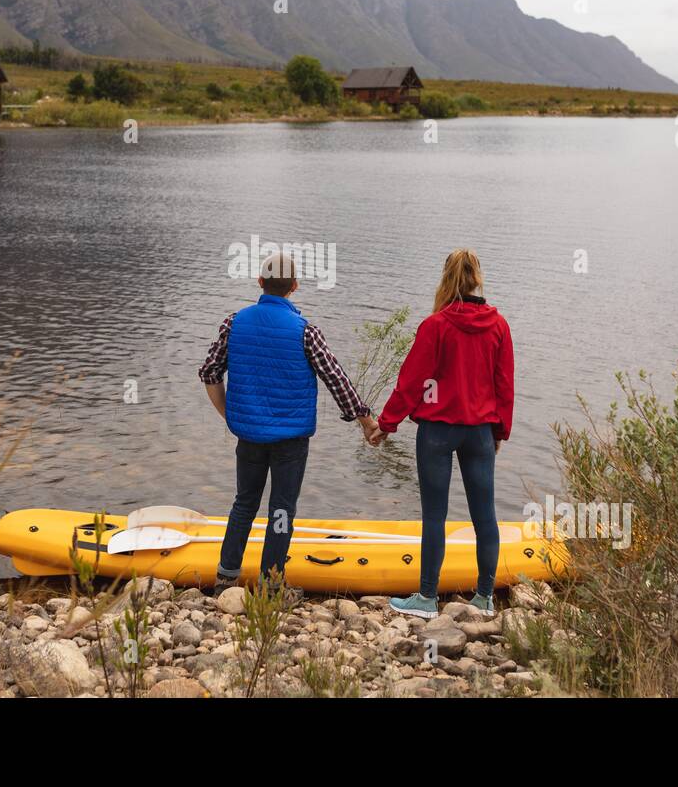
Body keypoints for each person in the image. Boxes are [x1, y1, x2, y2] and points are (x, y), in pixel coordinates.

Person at [199, 251, 378, 603]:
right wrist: (365, 420)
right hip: (291, 441)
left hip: (248, 436)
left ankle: (226, 577)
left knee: (244, 503)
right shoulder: (305, 331)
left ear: (260, 282)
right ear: (294, 287)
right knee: (281, 509)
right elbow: (335, 378)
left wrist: (229, 414)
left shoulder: (233, 323)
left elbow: (209, 373)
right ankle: (271, 585)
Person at [369, 249, 515, 618]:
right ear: (477, 278)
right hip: (479, 431)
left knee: (435, 515)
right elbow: (505, 386)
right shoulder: (498, 326)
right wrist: (500, 430)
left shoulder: (435, 325)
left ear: (445, 277)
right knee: (485, 515)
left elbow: (412, 381)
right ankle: (484, 598)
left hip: (437, 431)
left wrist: (387, 424)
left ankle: (428, 598)